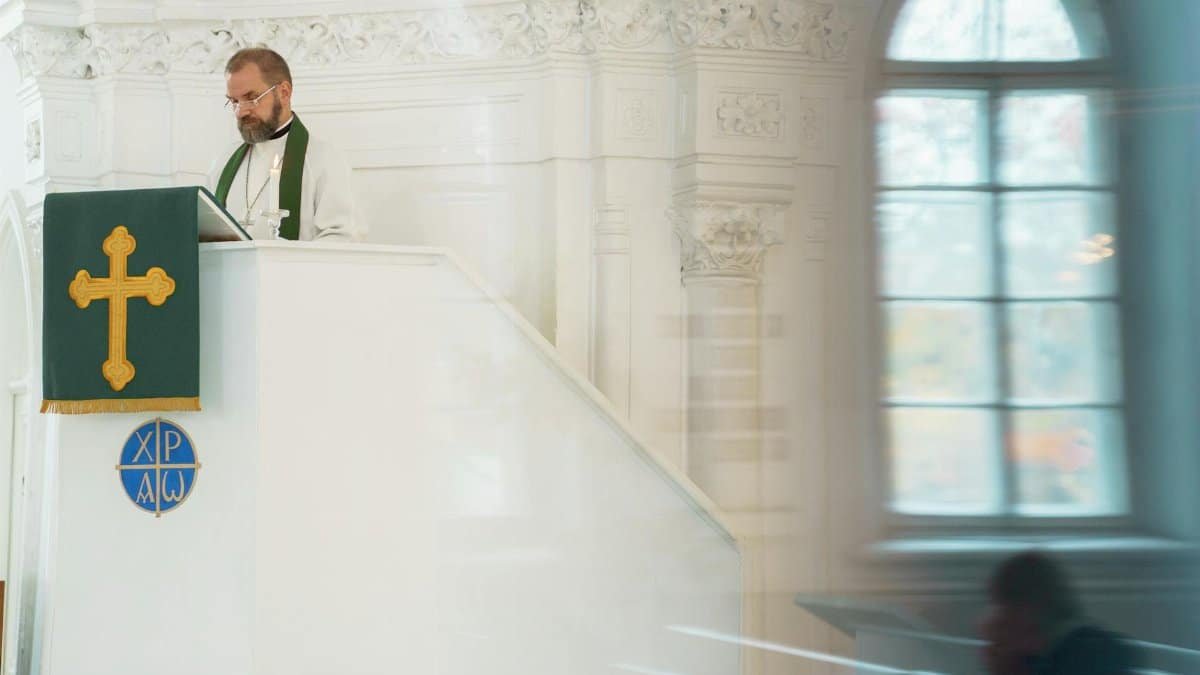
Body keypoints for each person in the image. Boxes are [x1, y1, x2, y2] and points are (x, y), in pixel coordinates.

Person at [209, 47, 359, 241]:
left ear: (284, 92)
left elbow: (339, 238)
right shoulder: (225, 160)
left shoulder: (323, 158)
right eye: (234, 101)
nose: (240, 112)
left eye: (251, 98)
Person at [980, 551, 1139, 675]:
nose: (994, 622)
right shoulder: (1033, 656)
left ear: (1027, 610)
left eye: (1001, 609)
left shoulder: (1094, 654)